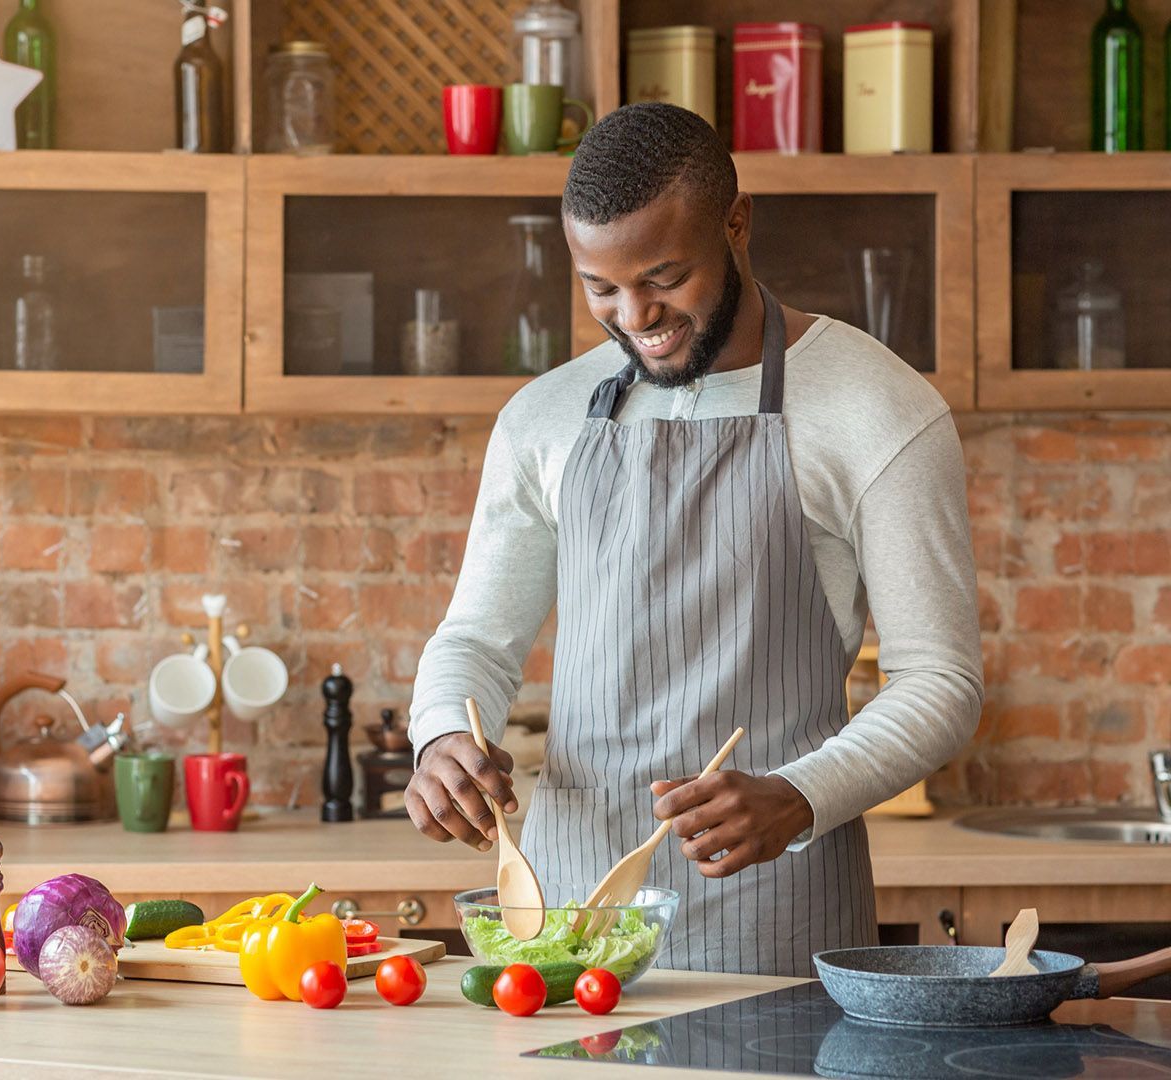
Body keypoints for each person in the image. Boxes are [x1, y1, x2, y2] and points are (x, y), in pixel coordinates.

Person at [405, 103, 984, 976]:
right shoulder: (544, 418)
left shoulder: (877, 408)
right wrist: (443, 734)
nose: (635, 316)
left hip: (775, 913)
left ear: (737, 222)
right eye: (601, 287)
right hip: (568, 918)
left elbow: (941, 679)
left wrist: (799, 793)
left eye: (664, 277)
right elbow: (476, 641)